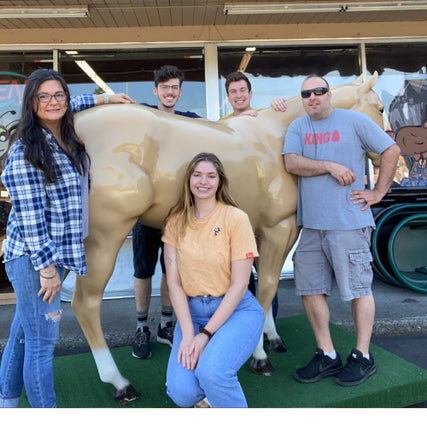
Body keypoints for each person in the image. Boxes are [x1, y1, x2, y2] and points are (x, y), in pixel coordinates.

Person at [0, 68, 134, 408]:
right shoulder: (26, 151)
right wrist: (47, 271)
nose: (52, 102)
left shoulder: (62, 131)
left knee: (21, 335)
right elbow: (30, 220)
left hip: (54, 257)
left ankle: (7, 404)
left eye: (57, 94)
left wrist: (107, 98)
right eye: (42, 96)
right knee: (42, 344)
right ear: (31, 104)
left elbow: (72, 103)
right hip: (36, 261)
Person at [282, 75, 400, 387]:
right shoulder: (299, 127)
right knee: (310, 289)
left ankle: (363, 355)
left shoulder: (354, 121)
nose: (312, 97)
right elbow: (291, 162)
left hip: (349, 223)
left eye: (319, 91)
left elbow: (391, 150)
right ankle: (328, 353)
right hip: (312, 227)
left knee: (359, 290)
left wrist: (378, 192)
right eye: (306, 93)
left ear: (329, 94)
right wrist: (330, 166)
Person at [162, 152, 264, 408]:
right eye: (197, 175)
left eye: (210, 176)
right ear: (188, 180)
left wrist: (204, 335)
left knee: (213, 372)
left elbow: (240, 284)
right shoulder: (175, 221)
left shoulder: (235, 218)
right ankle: (208, 397)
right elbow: (174, 283)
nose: (203, 181)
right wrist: (188, 334)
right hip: (193, 313)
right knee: (182, 393)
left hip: (236, 311)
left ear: (220, 181)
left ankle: (217, 386)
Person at [132, 65, 201, 359]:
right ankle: (141, 328)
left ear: (180, 92)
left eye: (174, 88)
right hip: (146, 211)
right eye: (164, 87)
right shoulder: (144, 115)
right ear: (155, 90)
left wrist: (247, 114)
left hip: (177, 214)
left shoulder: (190, 121)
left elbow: (223, 128)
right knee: (143, 271)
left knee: (171, 270)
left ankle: (166, 324)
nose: (169, 92)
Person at [222, 71, 285, 315]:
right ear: (228, 97)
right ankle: (246, 328)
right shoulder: (222, 124)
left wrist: (277, 105)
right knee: (241, 275)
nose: (238, 96)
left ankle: (269, 325)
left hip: (265, 212)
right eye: (233, 92)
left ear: (250, 93)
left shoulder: (264, 118)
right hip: (238, 216)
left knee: (267, 269)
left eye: (242, 91)